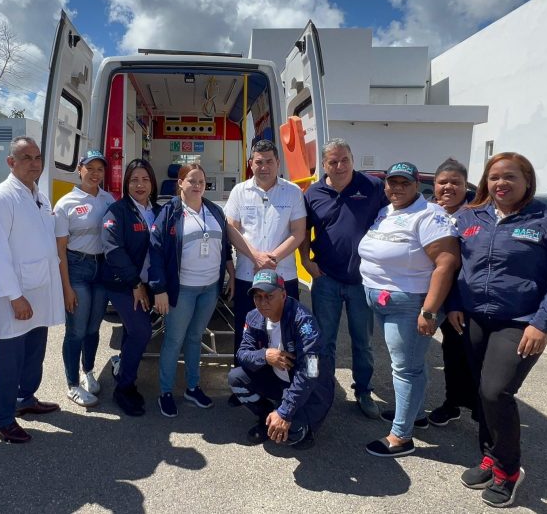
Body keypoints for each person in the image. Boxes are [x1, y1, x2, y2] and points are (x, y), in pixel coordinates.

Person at [447, 152, 547, 508]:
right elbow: (451, 265)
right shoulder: (469, 218)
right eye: (494, 177)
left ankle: (509, 471)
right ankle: (490, 457)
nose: (501, 184)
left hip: (521, 322)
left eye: (510, 177)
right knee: (481, 392)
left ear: (527, 180)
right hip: (474, 318)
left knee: (496, 392)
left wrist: (543, 324)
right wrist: (453, 304)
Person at [358, 161, 460, 458]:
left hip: (410, 303)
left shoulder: (429, 215)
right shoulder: (387, 211)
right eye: (392, 182)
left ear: (418, 185)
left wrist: (429, 311)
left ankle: (401, 437)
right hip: (383, 301)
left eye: (404, 183)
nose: (397, 188)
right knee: (412, 363)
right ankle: (414, 415)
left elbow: (446, 263)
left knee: (405, 368)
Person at [149, 163, 259, 417]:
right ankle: (165, 392)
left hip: (209, 288)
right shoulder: (170, 212)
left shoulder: (213, 210)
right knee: (174, 340)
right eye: (191, 181)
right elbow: (155, 253)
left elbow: (225, 247)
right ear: (180, 183)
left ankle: (192, 387)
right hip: (182, 289)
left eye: (201, 181)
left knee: (195, 337)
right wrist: (160, 289)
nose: (197, 186)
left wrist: (231, 275)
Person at [0, 137, 63, 444]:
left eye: (37, 157)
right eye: (26, 157)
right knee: (9, 357)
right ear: (11, 162)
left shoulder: (39, 196)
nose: (34, 163)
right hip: (19, 293)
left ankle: (25, 399)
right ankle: (2, 417)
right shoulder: (1, 197)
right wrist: (14, 296)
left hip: (40, 289)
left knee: (34, 352)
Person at [300, 138, 389, 419]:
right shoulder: (313, 193)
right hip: (326, 279)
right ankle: (321, 387)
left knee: (362, 341)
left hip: (362, 281)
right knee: (322, 340)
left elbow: (391, 221)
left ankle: (363, 390)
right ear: (324, 165)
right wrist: (306, 261)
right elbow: (303, 231)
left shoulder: (372, 187)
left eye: (345, 160)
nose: (340, 166)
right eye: (333, 161)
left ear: (353, 159)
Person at [228, 269, 334, 450]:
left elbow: (311, 371)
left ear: (284, 295)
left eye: (269, 296)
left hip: (309, 389)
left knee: (290, 435)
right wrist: (265, 355)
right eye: (257, 297)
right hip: (278, 381)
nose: (262, 303)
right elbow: (242, 354)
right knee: (235, 377)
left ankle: (301, 423)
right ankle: (267, 416)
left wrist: (285, 412)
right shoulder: (253, 316)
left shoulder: (304, 322)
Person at [224, 139, 306, 366]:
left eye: (269, 161)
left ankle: (283, 384)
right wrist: (256, 257)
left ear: (278, 163)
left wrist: (273, 259)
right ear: (251, 163)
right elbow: (231, 229)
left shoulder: (293, 192)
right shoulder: (239, 191)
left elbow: (298, 232)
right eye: (259, 162)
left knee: (286, 331)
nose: (264, 166)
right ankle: (244, 380)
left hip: (283, 276)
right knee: (246, 330)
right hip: (248, 275)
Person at [55, 149, 115, 407]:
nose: (95, 174)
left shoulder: (108, 199)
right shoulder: (66, 203)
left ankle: (87, 371)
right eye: (90, 168)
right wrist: (66, 287)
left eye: (100, 169)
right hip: (77, 268)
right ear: (79, 170)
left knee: (93, 328)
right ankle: (72, 384)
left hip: (101, 268)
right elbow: (59, 249)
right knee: (76, 330)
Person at [101, 159, 161, 416]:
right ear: (126, 183)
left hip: (147, 285)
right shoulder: (117, 211)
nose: (140, 184)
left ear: (152, 183)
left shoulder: (158, 211)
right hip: (123, 285)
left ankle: (123, 370)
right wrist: (135, 283)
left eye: (145, 179)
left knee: (130, 332)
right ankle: (124, 388)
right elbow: (113, 251)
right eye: (134, 179)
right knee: (141, 331)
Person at [428, 158, 478, 427]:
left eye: (455, 182)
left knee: (474, 354)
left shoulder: (477, 214)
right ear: (434, 185)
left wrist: (456, 302)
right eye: (443, 182)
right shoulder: (429, 211)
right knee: (451, 354)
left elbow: (464, 265)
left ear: (465, 185)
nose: (448, 187)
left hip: (465, 299)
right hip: (436, 296)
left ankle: (481, 408)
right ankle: (453, 403)